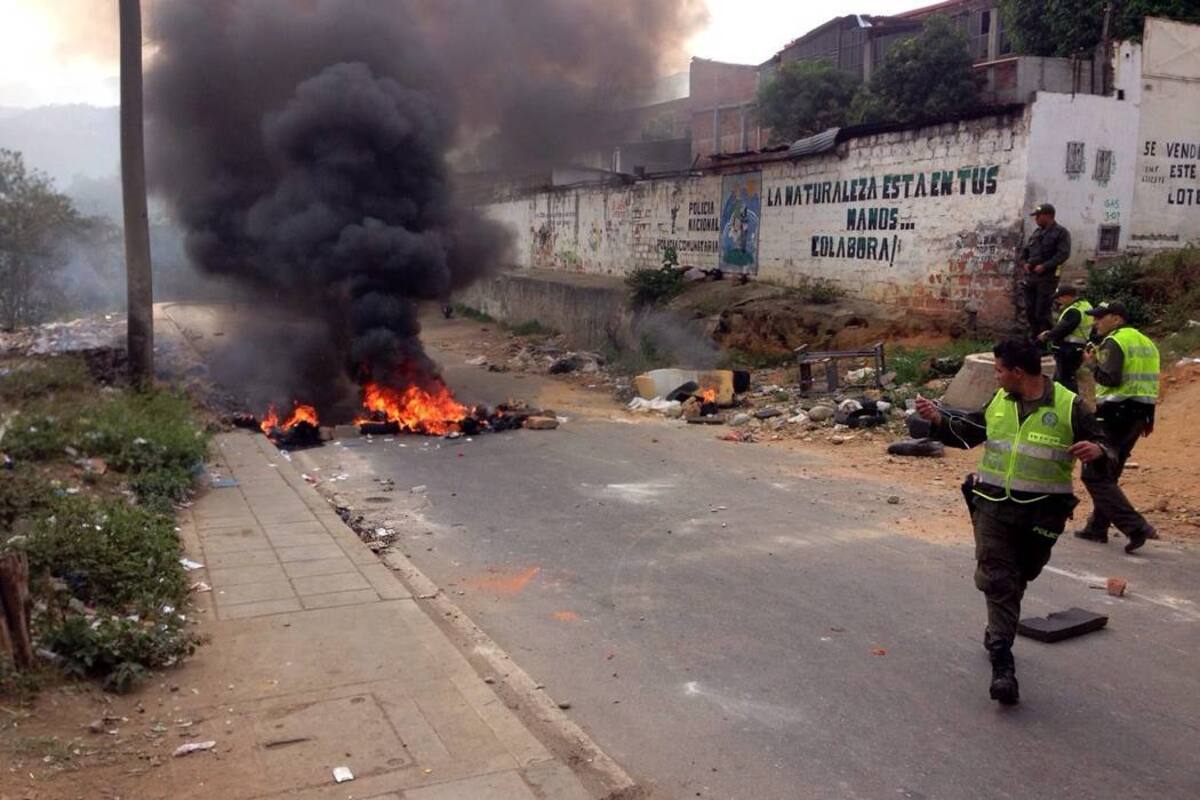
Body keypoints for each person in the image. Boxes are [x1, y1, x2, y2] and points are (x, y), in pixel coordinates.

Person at [915, 339, 1111, 706]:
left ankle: (997, 629)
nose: (996, 375)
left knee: (1020, 576)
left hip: (1043, 513)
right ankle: (1002, 662)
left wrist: (1099, 452)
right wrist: (939, 419)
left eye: (1000, 370)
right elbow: (972, 433)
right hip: (992, 505)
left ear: (1019, 373)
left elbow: (1105, 446)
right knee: (998, 578)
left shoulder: (1070, 407)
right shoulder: (999, 402)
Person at [1075, 301, 1160, 553]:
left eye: (1101, 317)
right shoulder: (1147, 342)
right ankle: (1097, 527)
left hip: (1115, 413)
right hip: (1138, 416)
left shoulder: (1115, 341)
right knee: (1110, 472)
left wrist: (1090, 364)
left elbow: (1111, 378)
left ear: (1117, 318)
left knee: (1094, 473)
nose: (1095, 322)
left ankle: (1136, 527)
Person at [1020, 203, 1071, 337]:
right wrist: (1025, 263)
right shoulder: (1036, 233)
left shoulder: (1061, 232)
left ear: (1048, 216)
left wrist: (1045, 266)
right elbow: (1025, 251)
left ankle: (1045, 341)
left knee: (1042, 311)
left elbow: (1063, 254)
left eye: (1038, 216)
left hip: (1047, 278)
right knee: (1030, 310)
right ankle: (1034, 339)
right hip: (1031, 278)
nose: (1036, 219)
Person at [1037, 285, 1092, 393]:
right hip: (1078, 348)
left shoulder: (1074, 311)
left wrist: (1047, 336)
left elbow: (1062, 329)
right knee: (1062, 379)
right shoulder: (1086, 306)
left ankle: (1072, 404)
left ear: (1067, 296)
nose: (1058, 300)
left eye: (1059, 297)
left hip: (1068, 350)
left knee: (1066, 380)